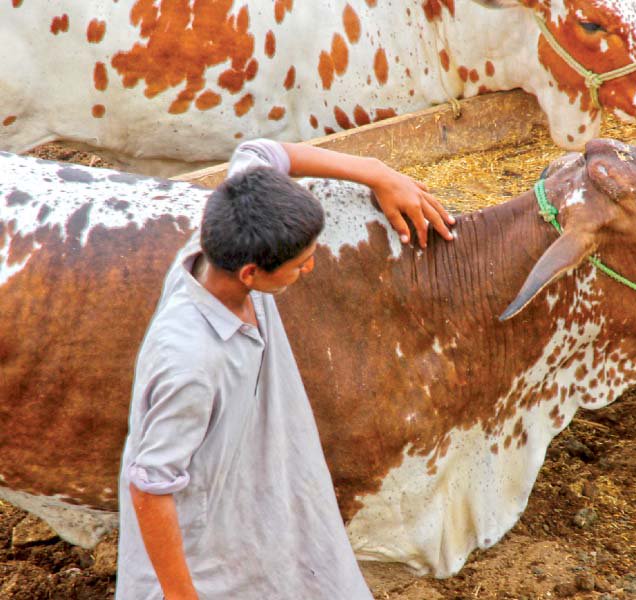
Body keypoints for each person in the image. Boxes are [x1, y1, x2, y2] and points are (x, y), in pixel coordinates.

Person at [116, 139, 454, 599]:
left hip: (256, 500)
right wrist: (181, 596)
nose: (310, 268)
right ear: (251, 274)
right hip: (206, 556)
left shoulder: (228, 236)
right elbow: (150, 486)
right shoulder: (190, 362)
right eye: (299, 265)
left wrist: (378, 173)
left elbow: (261, 151)